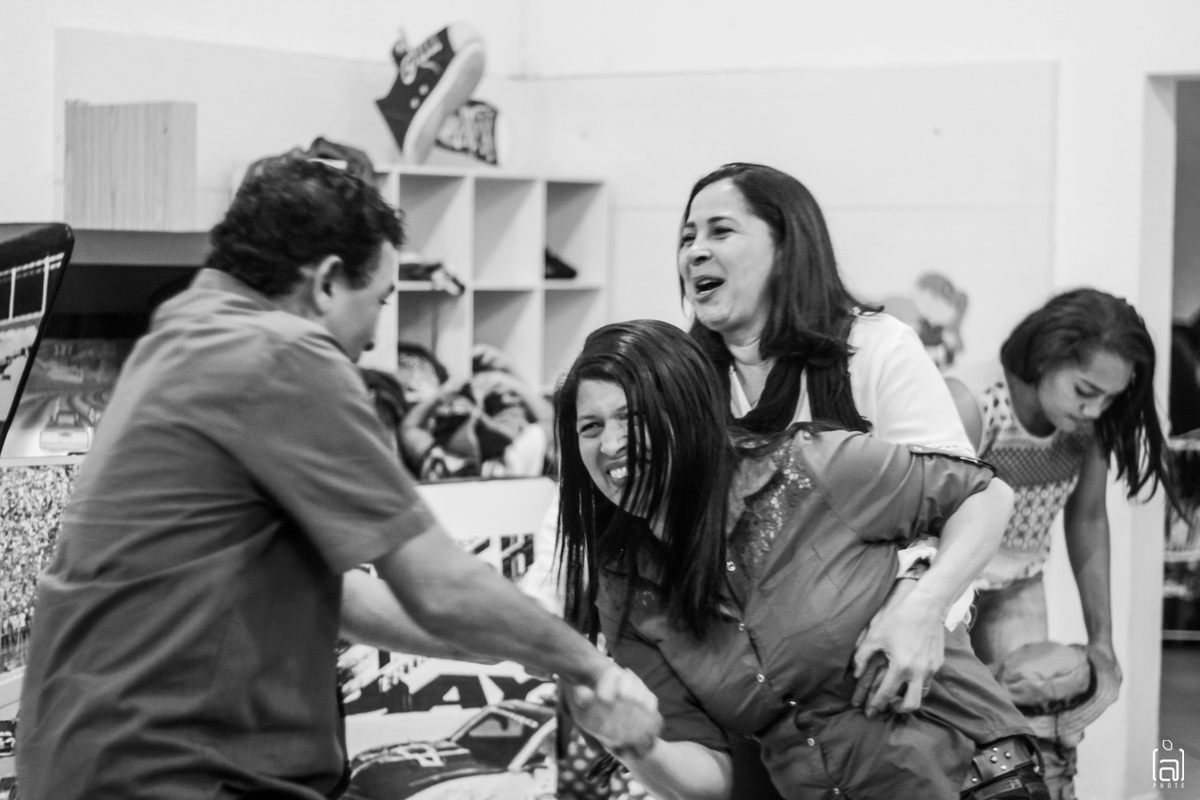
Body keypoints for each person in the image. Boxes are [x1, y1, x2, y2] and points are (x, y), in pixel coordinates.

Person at [15, 158, 661, 800]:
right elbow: (438, 585)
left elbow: (343, 596)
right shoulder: (283, 353)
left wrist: (501, 645)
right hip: (172, 772)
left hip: (80, 759)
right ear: (326, 283)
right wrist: (593, 668)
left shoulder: (181, 335)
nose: (375, 338)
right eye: (380, 300)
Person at [556, 319, 1046, 800]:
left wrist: (925, 606)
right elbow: (710, 776)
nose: (611, 444)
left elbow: (985, 494)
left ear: (687, 411)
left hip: (974, 778)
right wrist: (635, 744)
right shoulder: (627, 585)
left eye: (631, 418)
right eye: (590, 427)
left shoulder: (810, 466)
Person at [944, 288, 1179, 800]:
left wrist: (1102, 640)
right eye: (1085, 391)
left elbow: (1088, 520)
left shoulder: (1087, 427)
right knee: (951, 745)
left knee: (1033, 740)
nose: (1096, 410)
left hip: (1019, 585)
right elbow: (924, 526)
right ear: (1047, 356)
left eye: (1110, 399)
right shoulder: (973, 403)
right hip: (948, 593)